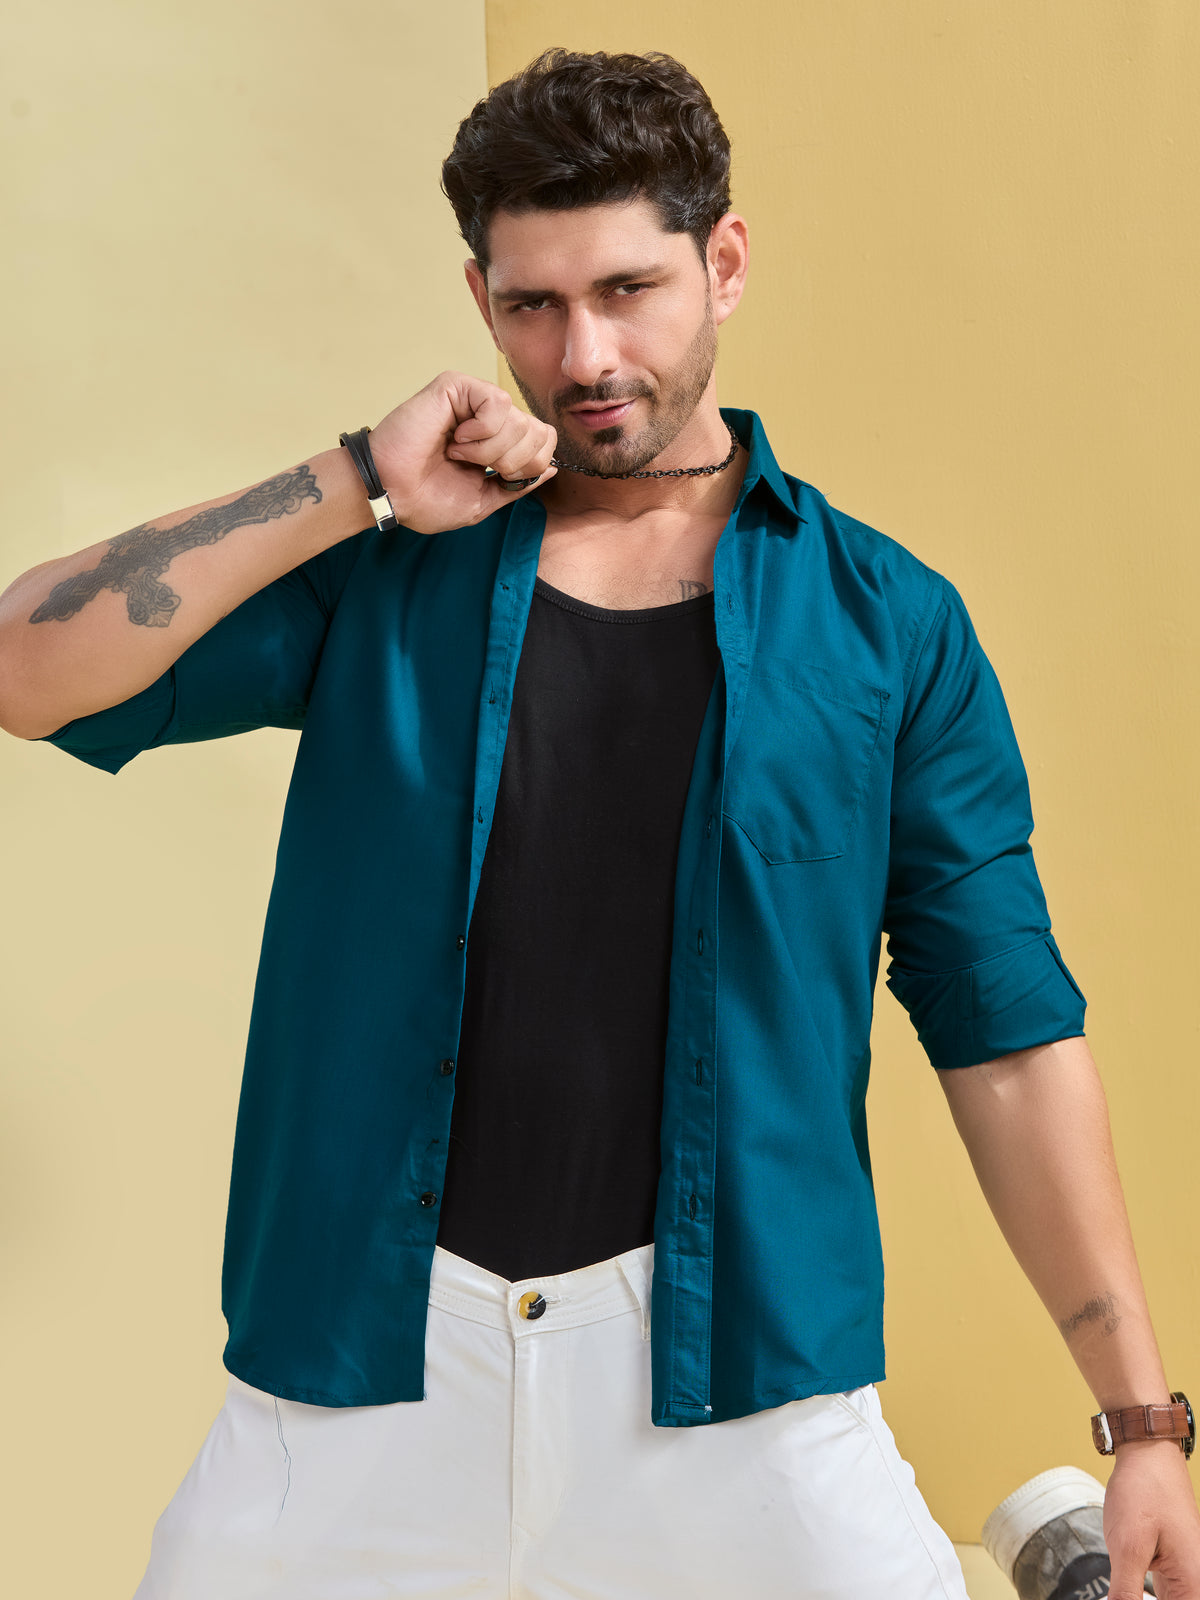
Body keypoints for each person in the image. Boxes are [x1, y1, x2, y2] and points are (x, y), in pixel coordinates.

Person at [1, 46, 1196, 1600]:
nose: (584, 355)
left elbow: (1009, 1033)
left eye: (630, 289)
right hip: (360, 1375)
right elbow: (28, 668)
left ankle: (1058, 1537)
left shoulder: (884, 625)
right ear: (481, 298)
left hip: (737, 1386)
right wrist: (354, 476)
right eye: (533, 306)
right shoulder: (391, 576)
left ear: (725, 263)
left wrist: (1141, 1424)